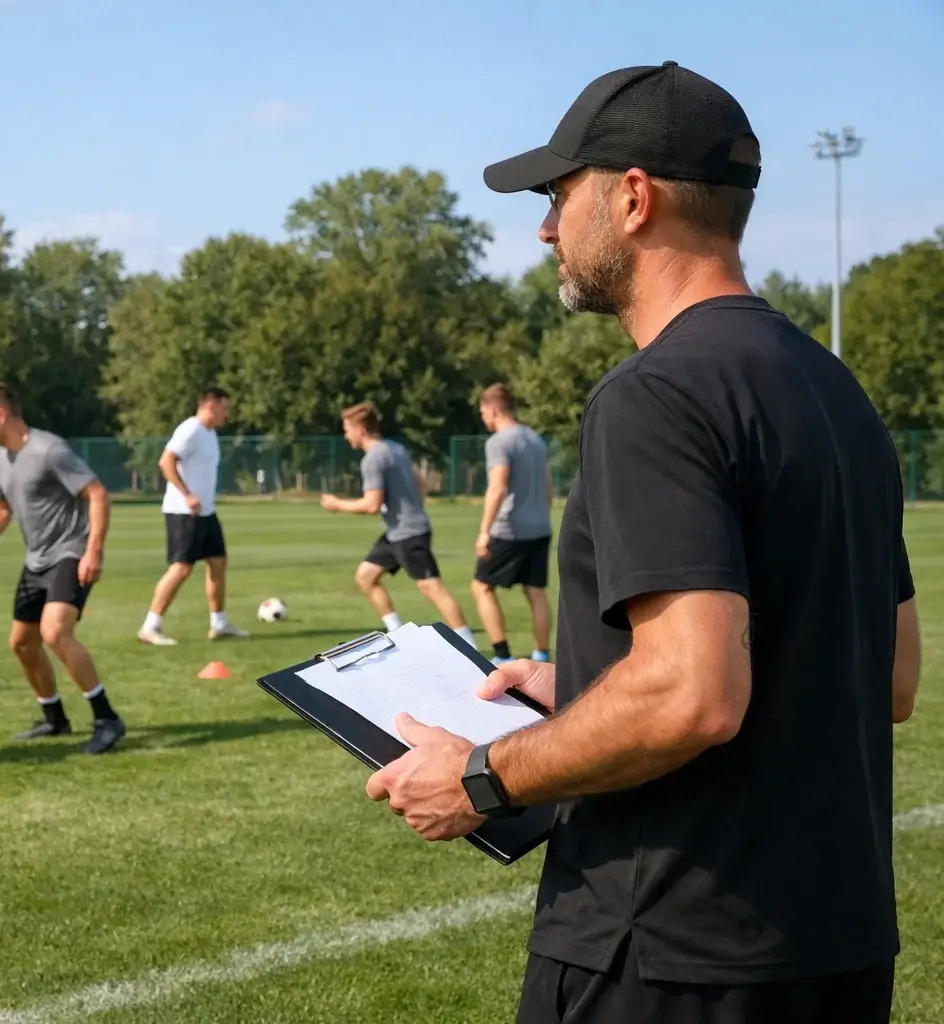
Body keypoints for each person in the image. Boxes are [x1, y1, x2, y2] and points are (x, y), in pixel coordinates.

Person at [363, 62, 918, 1024]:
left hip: (669, 950)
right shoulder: (838, 394)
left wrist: (482, 777)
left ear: (631, 197)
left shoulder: (654, 396)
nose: (544, 230)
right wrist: (585, 682)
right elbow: (893, 675)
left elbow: (695, 694)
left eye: (556, 195)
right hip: (835, 945)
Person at [0, 382, 125, 755]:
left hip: (70, 553)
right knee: (21, 644)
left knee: (55, 633)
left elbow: (97, 494)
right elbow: (2, 506)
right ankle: (54, 718)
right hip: (35, 560)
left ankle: (106, 719)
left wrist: (93, 552)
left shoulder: (49, 449)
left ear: (1, 414)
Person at [321, 401, 476, 645]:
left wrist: (336, 504)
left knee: (432, 589)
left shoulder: (372, 459)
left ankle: (470, 646)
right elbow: (422, 484)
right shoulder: (395, 448)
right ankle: (397, 634)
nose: (345, 435)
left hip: (409, 534)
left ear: (360, 430)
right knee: (366, 577)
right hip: (396, 533)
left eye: (346, 430)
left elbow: (372, 504)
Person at [137, 386, 249, 645]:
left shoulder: (210, 434)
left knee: (218, 563)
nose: (227, 413)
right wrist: (187, 494)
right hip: (184, 512)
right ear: (210, 405)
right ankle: (150, 626)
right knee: (181, 568)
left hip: (206, 512)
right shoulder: (191, 429)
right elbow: (166, 461)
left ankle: (219, 623)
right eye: (224, 407)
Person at [470, 383, 553, 664]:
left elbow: (497, 487)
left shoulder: (499, 442)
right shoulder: (535, 439)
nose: (483, 418)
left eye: (483, 412)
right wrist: (542, 513)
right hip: (540, 527)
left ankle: (502, 656)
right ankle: (541, 655)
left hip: (509, 530)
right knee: (536, 592)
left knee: (481, 586)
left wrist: (484, 532)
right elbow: (548, 484)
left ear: (493, 409)